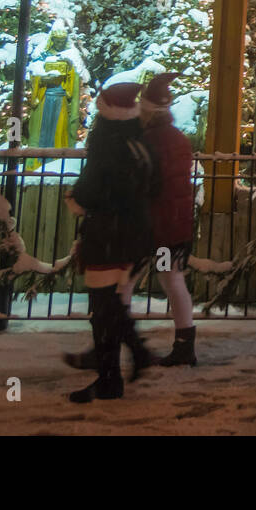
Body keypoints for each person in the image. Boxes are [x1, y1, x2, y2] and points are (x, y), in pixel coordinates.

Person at [63, 82, 154, 403]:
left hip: (106, 235)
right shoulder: (137, 144)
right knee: (111, 305)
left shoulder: (108, 147)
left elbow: (91, 190)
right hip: (131, 235)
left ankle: (111, 376)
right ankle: (129, 359)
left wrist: (75, 199)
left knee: (103, 310)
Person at [137, 72, 198, 367]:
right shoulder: (177, 139)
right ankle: (185, 342)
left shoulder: (148, 140)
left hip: (154, 228)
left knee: (128, 280)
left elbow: (147, 183)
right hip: (173, 226)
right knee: (171, 278)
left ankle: (114, 340)